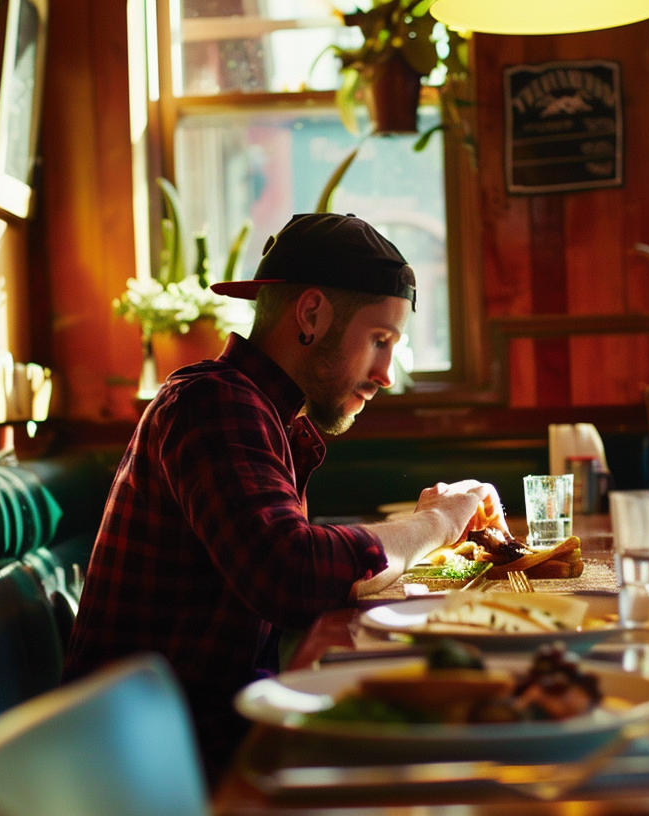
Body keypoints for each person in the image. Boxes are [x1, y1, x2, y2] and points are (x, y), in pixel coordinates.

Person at [62, 213, 506, 778]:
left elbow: (303, 557)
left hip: (188, 740)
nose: (386, 373)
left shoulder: (265, 414)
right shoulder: (214, 404)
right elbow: (289, 571)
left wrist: (431, 532)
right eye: (379, 340)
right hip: (147, 768)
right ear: (312, 315)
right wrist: (437, 525)